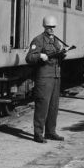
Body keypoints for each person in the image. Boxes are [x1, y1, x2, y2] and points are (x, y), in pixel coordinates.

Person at [25, 15, 66, 143]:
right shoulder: (38, 40)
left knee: (54, 106)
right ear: (45, 27)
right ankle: (38, 133)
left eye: (53, 27)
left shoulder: (56, 41)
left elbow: (58, 56)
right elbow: (29, 58)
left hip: (55, 76)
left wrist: (63, 54)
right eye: (49, 27)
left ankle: (50, 132)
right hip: (44, 78)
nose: (52, 29)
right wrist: (40, 55)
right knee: (42, 105)